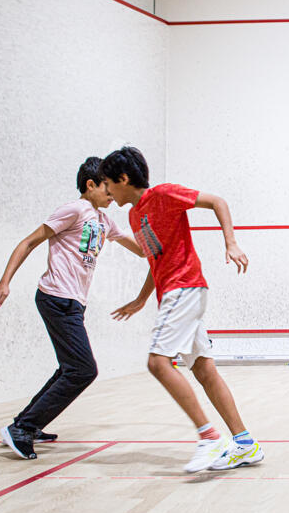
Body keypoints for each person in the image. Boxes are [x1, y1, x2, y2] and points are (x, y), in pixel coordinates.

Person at [101, 146, 264, 473]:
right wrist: (142, 298)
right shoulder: (134, 216)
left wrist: (230, 242)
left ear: (123, 178)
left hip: (184, 288)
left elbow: (218, 201)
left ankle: (209, 437)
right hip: (177, 293)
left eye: (109, 184)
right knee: (204, 370)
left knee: (158, 363)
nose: (107, 191)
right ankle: (245, 444)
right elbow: (155, 259)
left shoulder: (163, 194)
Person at [0, 157, 144, 459]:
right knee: (83, 370)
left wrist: (160, 239)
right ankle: (22, 427)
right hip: (55, 298)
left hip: (73, 304)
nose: (112, 196)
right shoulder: (73, 210)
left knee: (69, 369)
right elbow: (28, 242)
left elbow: (138, 249)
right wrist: (5, 282)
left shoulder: (103, 219)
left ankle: (27, 425)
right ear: (90, 185)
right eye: (107, 189)